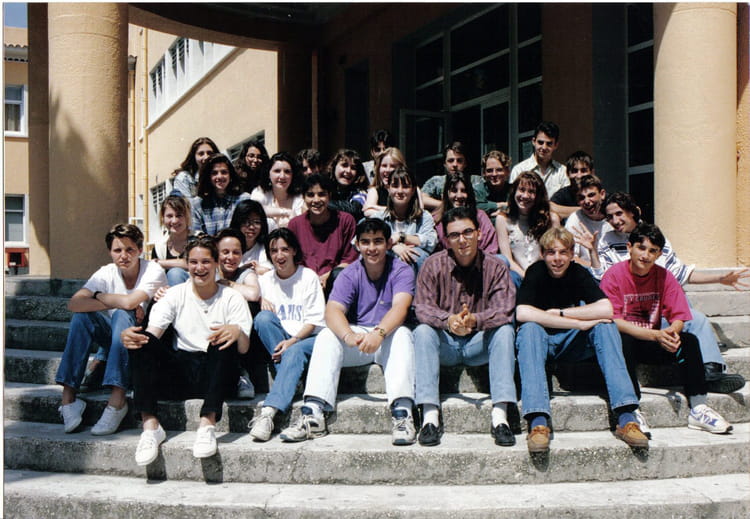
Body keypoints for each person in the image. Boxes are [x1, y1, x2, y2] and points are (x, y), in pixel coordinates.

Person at [279, 218, 417, 445]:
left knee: (403, 334)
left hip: (387, 335)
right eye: (366, 242)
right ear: (357, 245)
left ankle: (402, 413)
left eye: (378, 241)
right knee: (326, 335)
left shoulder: (401, 270)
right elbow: (332, 310)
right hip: (359, 337)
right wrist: (348, 336)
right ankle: (313, 413)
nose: (371, 248)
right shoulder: (350, 272)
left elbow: (400, 308)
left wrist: (379, 333)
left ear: (388, 243)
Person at [594, 192, 747, 394]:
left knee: (696, 318)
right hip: (629, 314)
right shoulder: (606, 241)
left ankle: (711, 373)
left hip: (656, 311)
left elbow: (679, 274)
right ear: (631, 247)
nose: (615, 220)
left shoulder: (656, 238)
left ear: (633, 212)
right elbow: (605, 276)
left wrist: (719, 278)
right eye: (610, 216)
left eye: (619, 213)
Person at [121, 235, 252, 465]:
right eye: (193, 262)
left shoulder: (232, 298)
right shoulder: (174, 294)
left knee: (224, 337)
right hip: (181, 371)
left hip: (218, 372)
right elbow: (153, 334)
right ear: (187, 264)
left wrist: (237, 331)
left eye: (206, 262)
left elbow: (243, 348)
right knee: (140, 341)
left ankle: (207, 425)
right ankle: (151, 428)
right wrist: (134, 338)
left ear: (216, 264)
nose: (199, 268)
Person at [515, 227, 648, 454]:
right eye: (551, 253)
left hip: (571, 343)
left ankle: (626, 417)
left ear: (571, 254)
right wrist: (578, 323)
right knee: (529, 330)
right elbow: (522, 313)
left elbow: (606, 309)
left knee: (605, 326)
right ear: (542, 254)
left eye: (563, 252)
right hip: (542, 343)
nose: (557, 259)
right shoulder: (536, 272)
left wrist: (562, 314)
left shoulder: (578, 272)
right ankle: (538, 422)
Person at [600, 223, 733, 435]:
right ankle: (632, 408)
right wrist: (656, 335)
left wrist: (672, 333)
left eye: (652, 251)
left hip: (654, 341)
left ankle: (698, 408)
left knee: (689, 341)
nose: (645, 255)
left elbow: (679, 315)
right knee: (621, 340)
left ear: (659, 254)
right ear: (630, 247)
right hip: (626, 344)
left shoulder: (664, 276)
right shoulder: (614, 275)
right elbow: (613, 320)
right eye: (641, 248)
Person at [414, 206, 517, 447]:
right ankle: (429, 417)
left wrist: (475, 320)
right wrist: (449, 321)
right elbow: (422, 308)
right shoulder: (432, 265)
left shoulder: (496, 266)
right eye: (454, 235)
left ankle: (500, 417)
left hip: (479, 343)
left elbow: (505, 308)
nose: (462, 240)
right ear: (446, 240)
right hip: (446, 344)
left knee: (505, 331)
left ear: (479, 233)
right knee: (422, 331)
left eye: (467, 232)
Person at [55, 224, 167, 436]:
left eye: (130, 249)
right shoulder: (105, 272)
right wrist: (115, 301)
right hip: (116, 340)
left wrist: (98, 296)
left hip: (145, 342)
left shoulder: (153, 270)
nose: (123, 256)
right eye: (117, 250)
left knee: (123, 314)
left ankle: (117, 401)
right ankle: (69, 399)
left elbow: (130, 302)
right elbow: (75, 304)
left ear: (140, 250)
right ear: (110, 252)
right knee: (82, 317)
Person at [248, 228, 326, 441]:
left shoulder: (308, 277)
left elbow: (313, 321)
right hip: (280, 339)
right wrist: (260, 299)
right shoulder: (265, 280)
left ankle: (268, 413)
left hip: (310, 338)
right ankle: (293, 377)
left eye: (284, 249)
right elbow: (231, 281)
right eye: (274, 251)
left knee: (294, 351)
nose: (279, 255)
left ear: (293, 251)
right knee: (263, 318)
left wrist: (293, 341)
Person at [287, 174, 359, 290]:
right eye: (310, 195)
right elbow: (292, 260)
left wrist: (327, 276)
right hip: (303, 284)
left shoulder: (345, 221)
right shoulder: (295, 225)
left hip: (337, 283)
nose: (316, 200)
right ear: (303, 197)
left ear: (329, 195)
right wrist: (312, 280)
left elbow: (350, 259)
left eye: (321, 194)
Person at [495, 171, 559, 286]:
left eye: (531, 192)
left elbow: (555, 254)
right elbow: (507, 259)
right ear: (514, 191)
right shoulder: (503, 220)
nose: (525, 196)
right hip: (518, 278)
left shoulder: (551, 219)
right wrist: (527, 278)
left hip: (545, 277)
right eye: (522, 190)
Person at [374, 167, 437, 273]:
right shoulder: (378, 217)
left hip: (414, 270)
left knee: (417, 255)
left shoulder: (424, 216)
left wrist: (401, 237)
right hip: (383, 271)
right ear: (388, 189)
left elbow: (431, 242)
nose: (400, 191)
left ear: (413, 190)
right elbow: (360, 242)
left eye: (406, 186)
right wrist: (392, 246)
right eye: (395, 186)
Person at [433, 172, 498, 255]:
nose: (459, 195)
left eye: (463, 191)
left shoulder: (480, 216)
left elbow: (491, 247)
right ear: (447, 193)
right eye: (454, 191)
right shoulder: (437, 220)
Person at [191, 153, 251, 235]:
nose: (219, 176)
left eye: (224, 172)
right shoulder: (198, 204)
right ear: (208, 177)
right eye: (214, 173)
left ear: (230, 175)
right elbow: (196, 234)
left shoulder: (243, 200)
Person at [509, 122, 569, 199]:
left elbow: (566, 201)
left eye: (549, 144)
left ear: (556, 145)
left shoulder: (563, 172)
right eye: (540, 142)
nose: (544, 147)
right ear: (533, 141)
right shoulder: (519, 170)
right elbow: (513, 199)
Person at [564, 174, 611, 267]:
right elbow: (570, 257)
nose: (587, 201)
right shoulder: (575, 220)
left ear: (602, 194)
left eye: (591, 195)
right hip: (588, 271)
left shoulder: (613, 217)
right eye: (581, 198)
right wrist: (597, 268)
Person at [250, 151, 306, 228]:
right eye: (277, 171)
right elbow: (253, 210)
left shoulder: (299, 198)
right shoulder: (260, 192)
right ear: (268, 174)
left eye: (287, 171)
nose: (282, 176)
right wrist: (286, 212)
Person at [421, 141, 483, 211]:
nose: (455, 164)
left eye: (459, 161)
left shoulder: (477, 180)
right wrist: (447, 205)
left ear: (465, 163)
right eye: (451, 160)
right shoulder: (436, 181)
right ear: (445, 164)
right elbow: (421, 199)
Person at [152, 195, 193, 287]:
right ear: (163, 218)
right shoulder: (159, 248)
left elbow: (196, 263)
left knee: (175, 274)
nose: (174, 221)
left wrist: (161, 263)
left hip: (198, 289)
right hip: (169, 291)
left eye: (179, 215)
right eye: (169, 216)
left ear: (187, 217)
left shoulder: (199, 240)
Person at [229, 199, 274, 275]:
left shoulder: (265, 247)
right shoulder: (228, 246)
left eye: (257, 222)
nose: (252, 227)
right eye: (246, 222)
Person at [550, 151, 594, 222]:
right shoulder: (564, 193)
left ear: (592, 173)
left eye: (583, 171)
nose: (579, 175)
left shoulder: (598, 193)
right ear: (567, 173)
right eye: (574, 171)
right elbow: (550, 207)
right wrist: (583, 210)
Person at [363, 146, 408, 217]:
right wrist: (395, 212)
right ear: (378, 168)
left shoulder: (409, 189)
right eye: (384, 166)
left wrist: (376, 207)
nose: (387, 170)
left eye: (392, 166)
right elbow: (368, 212)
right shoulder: (375, 191)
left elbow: (416, 209)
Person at [326, 148, 369, 221]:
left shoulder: (361, 191)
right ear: (334, 167)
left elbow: (354, 209)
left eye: (353, 168)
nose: (348, 171)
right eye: (344, 165)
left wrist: (323, 203)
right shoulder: (325, 186)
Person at [475, 150, 512, 223]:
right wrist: (501, 205)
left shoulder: (514, 190)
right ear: (484, 173)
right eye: (489, 170)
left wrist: (501, 211)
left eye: (499, 170)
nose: (494, 174)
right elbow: (477, 207)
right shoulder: (478, 190)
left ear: (507, 172)